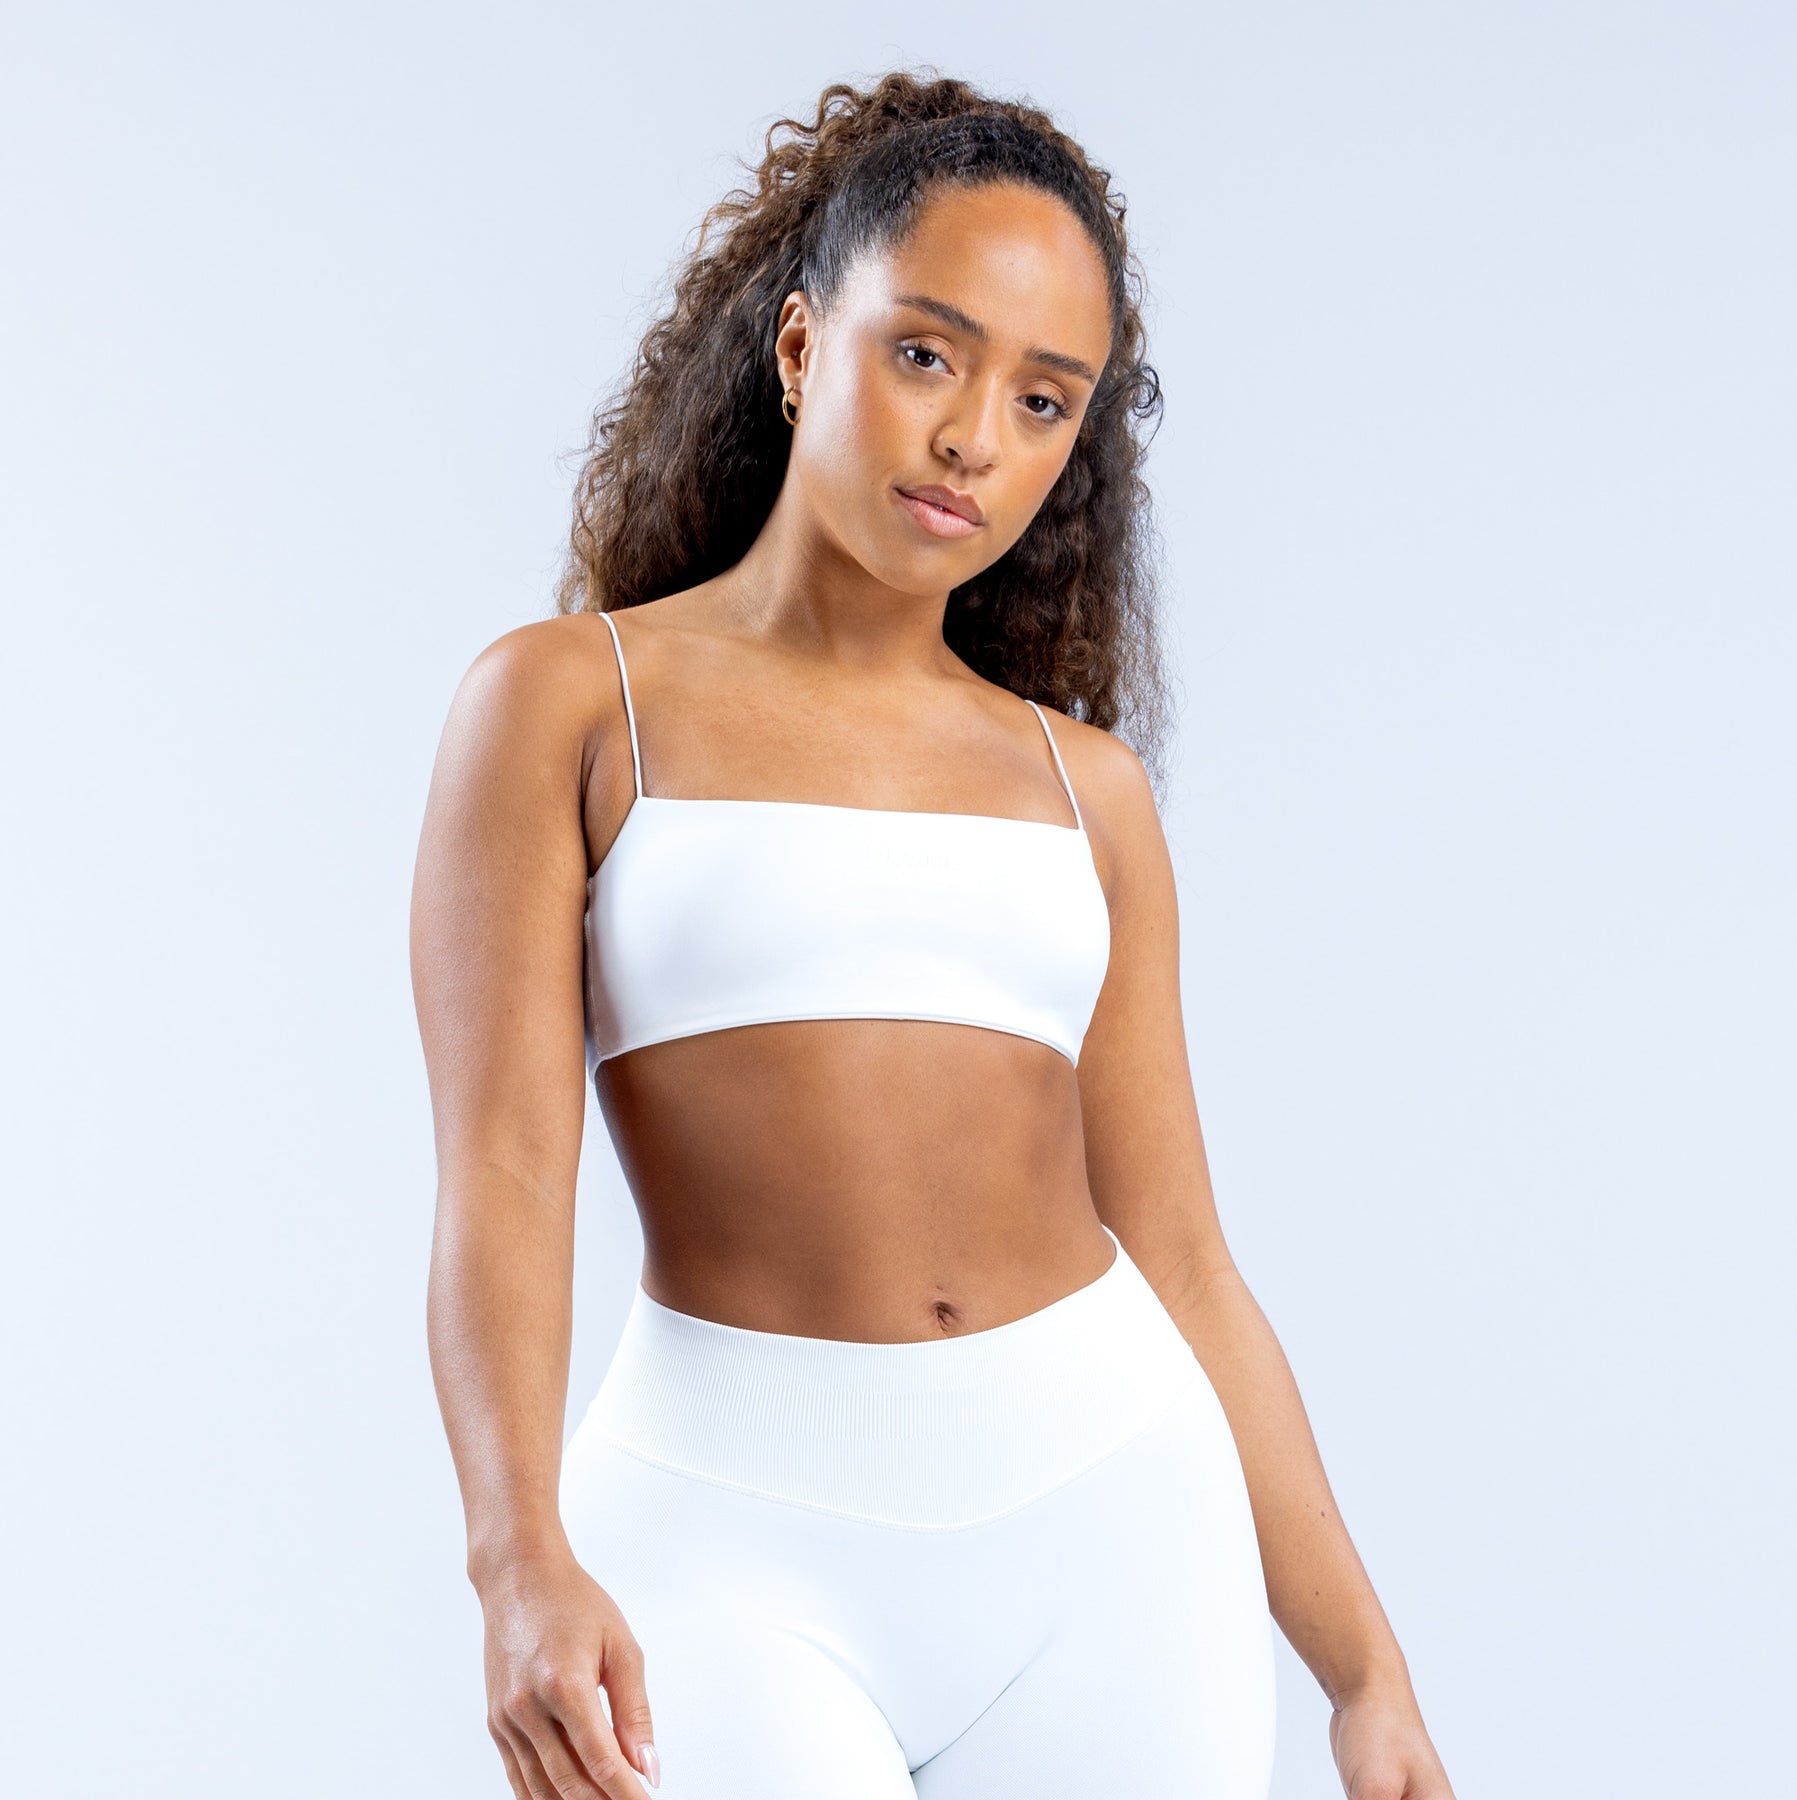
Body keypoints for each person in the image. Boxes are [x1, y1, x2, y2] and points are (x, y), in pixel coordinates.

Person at [411, 71, 1458, 1800]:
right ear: (801, 344)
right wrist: (516, 1559)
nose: (976, 436)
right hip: (724, 1533)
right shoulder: (568, 706)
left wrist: (1366, 1671)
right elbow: (508, 1173)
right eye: (926, 354)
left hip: (1117, 1527)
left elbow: (1185, 1255)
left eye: (1044, 401)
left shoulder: (1086, 789)